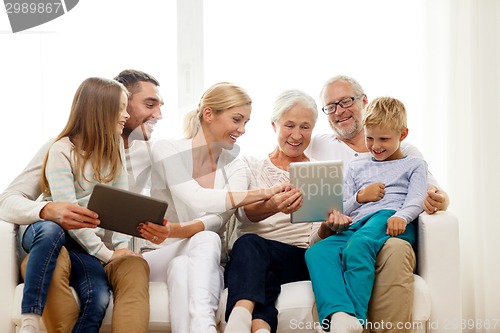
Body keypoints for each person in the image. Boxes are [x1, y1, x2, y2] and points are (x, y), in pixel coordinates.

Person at [0, 69, 163, 333]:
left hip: (104, 253)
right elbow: (6, 201)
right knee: (52, 247)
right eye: (148, 104)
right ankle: (35, 318)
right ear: (104, 109)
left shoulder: (149, 152)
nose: (158, 114)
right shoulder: (59, 148)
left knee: (122, 275)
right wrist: (46, 209)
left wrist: (122, 250)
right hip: (65, 242)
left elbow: (125, 208)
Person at [136, 82, 286, 333]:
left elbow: (218, 219)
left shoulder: (237, 167)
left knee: (188, 262)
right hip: (161, 253)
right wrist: (262, 192)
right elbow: (195, 197)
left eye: (246, 122)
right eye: (236, 120)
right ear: (208, 114)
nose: (242, 130)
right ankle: (205, 327)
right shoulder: (167, 149)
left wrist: (176, 229)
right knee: (205, 239)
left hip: (205, 261)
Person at [306, 75, 449, 331]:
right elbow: (343, 206)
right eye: (370, 139)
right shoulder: (356, 163)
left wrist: (403, 216)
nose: (374, 146)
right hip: (358, 223)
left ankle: (356, 319)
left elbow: (419, 196)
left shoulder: (412, 161)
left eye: (383, 140)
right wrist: (360, 197)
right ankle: (339, 316)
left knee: (358, 246)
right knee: (318, 251)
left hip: (390, 218)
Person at [223, 89, 321, 333]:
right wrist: (274, 205)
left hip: (296, 258)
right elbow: (244, 214)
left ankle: (238, 319)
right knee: (254, 255)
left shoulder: (320, 172)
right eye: (289, 125)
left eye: (305, 127)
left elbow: (319, 235)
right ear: (274, 125)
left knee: (250, 246)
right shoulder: (251, 164)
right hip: (252, 258)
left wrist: (334, 223)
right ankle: (258, 327)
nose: (297, 135)